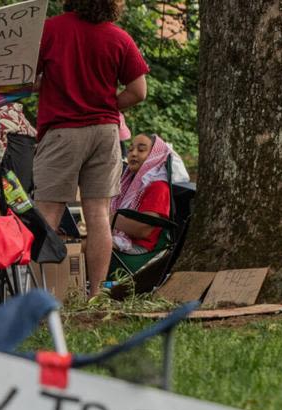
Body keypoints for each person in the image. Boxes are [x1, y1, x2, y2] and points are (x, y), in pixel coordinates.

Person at [33, 0, 150, 296]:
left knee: (47, 211)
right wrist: (108, 104)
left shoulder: (50, 30)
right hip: (105, 132)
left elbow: (27, 80)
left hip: (62, 132)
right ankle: (95, 294)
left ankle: (37, 294)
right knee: (98, 214)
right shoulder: (119, 37)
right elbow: (138, 91)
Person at [111, 134, 189, 255]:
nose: (133, 153)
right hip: (121, 239)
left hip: (138, 247)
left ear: (155, 156)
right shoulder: (128, 184)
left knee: (86, 245)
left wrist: (107, 218)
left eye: (141, 150)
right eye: (130, 149)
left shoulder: (158, 187)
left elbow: (142, 230)